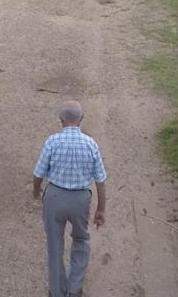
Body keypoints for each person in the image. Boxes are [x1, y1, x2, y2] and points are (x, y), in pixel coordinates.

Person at [33, 101, 107, 297]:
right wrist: (101, 208)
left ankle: (57, 291)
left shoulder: (52, 142)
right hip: (81, 199)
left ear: (61, 120)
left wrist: (36, 190)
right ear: (81, 119)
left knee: (54, 244)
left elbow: (39, 173)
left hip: (55, 196)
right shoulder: (91, 144)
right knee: (81, 239)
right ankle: (74, 288)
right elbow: (100, 180)